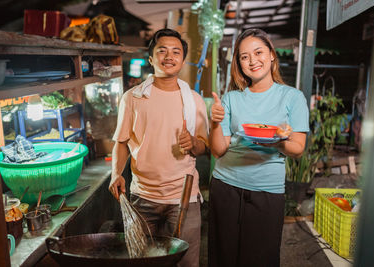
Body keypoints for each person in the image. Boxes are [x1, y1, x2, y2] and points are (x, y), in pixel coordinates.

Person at [209, 28, 309, 267]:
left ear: (272, 55)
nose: (252, 61)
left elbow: (297, 149)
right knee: (222, 258)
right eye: (244, 56)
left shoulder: (293, 97)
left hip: (267, 192)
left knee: (260, 260)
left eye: (258, 52)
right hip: (225, 186)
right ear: (239, 63)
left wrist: (278, 141)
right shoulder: (231, 98)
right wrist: (214, 123)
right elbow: (218, 150)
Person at [109, 28, 209, 267]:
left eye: (176, 52)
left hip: (183, 196)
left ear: (183, 61)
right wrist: (116, 173)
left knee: (186, 263)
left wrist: (194, 144)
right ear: (151, 59)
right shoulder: (133, 98)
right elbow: (121, 142)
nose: (169, 56)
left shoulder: (194, 99)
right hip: (143, 196)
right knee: (144, 260)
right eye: (162, 51)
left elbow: (204, 145)